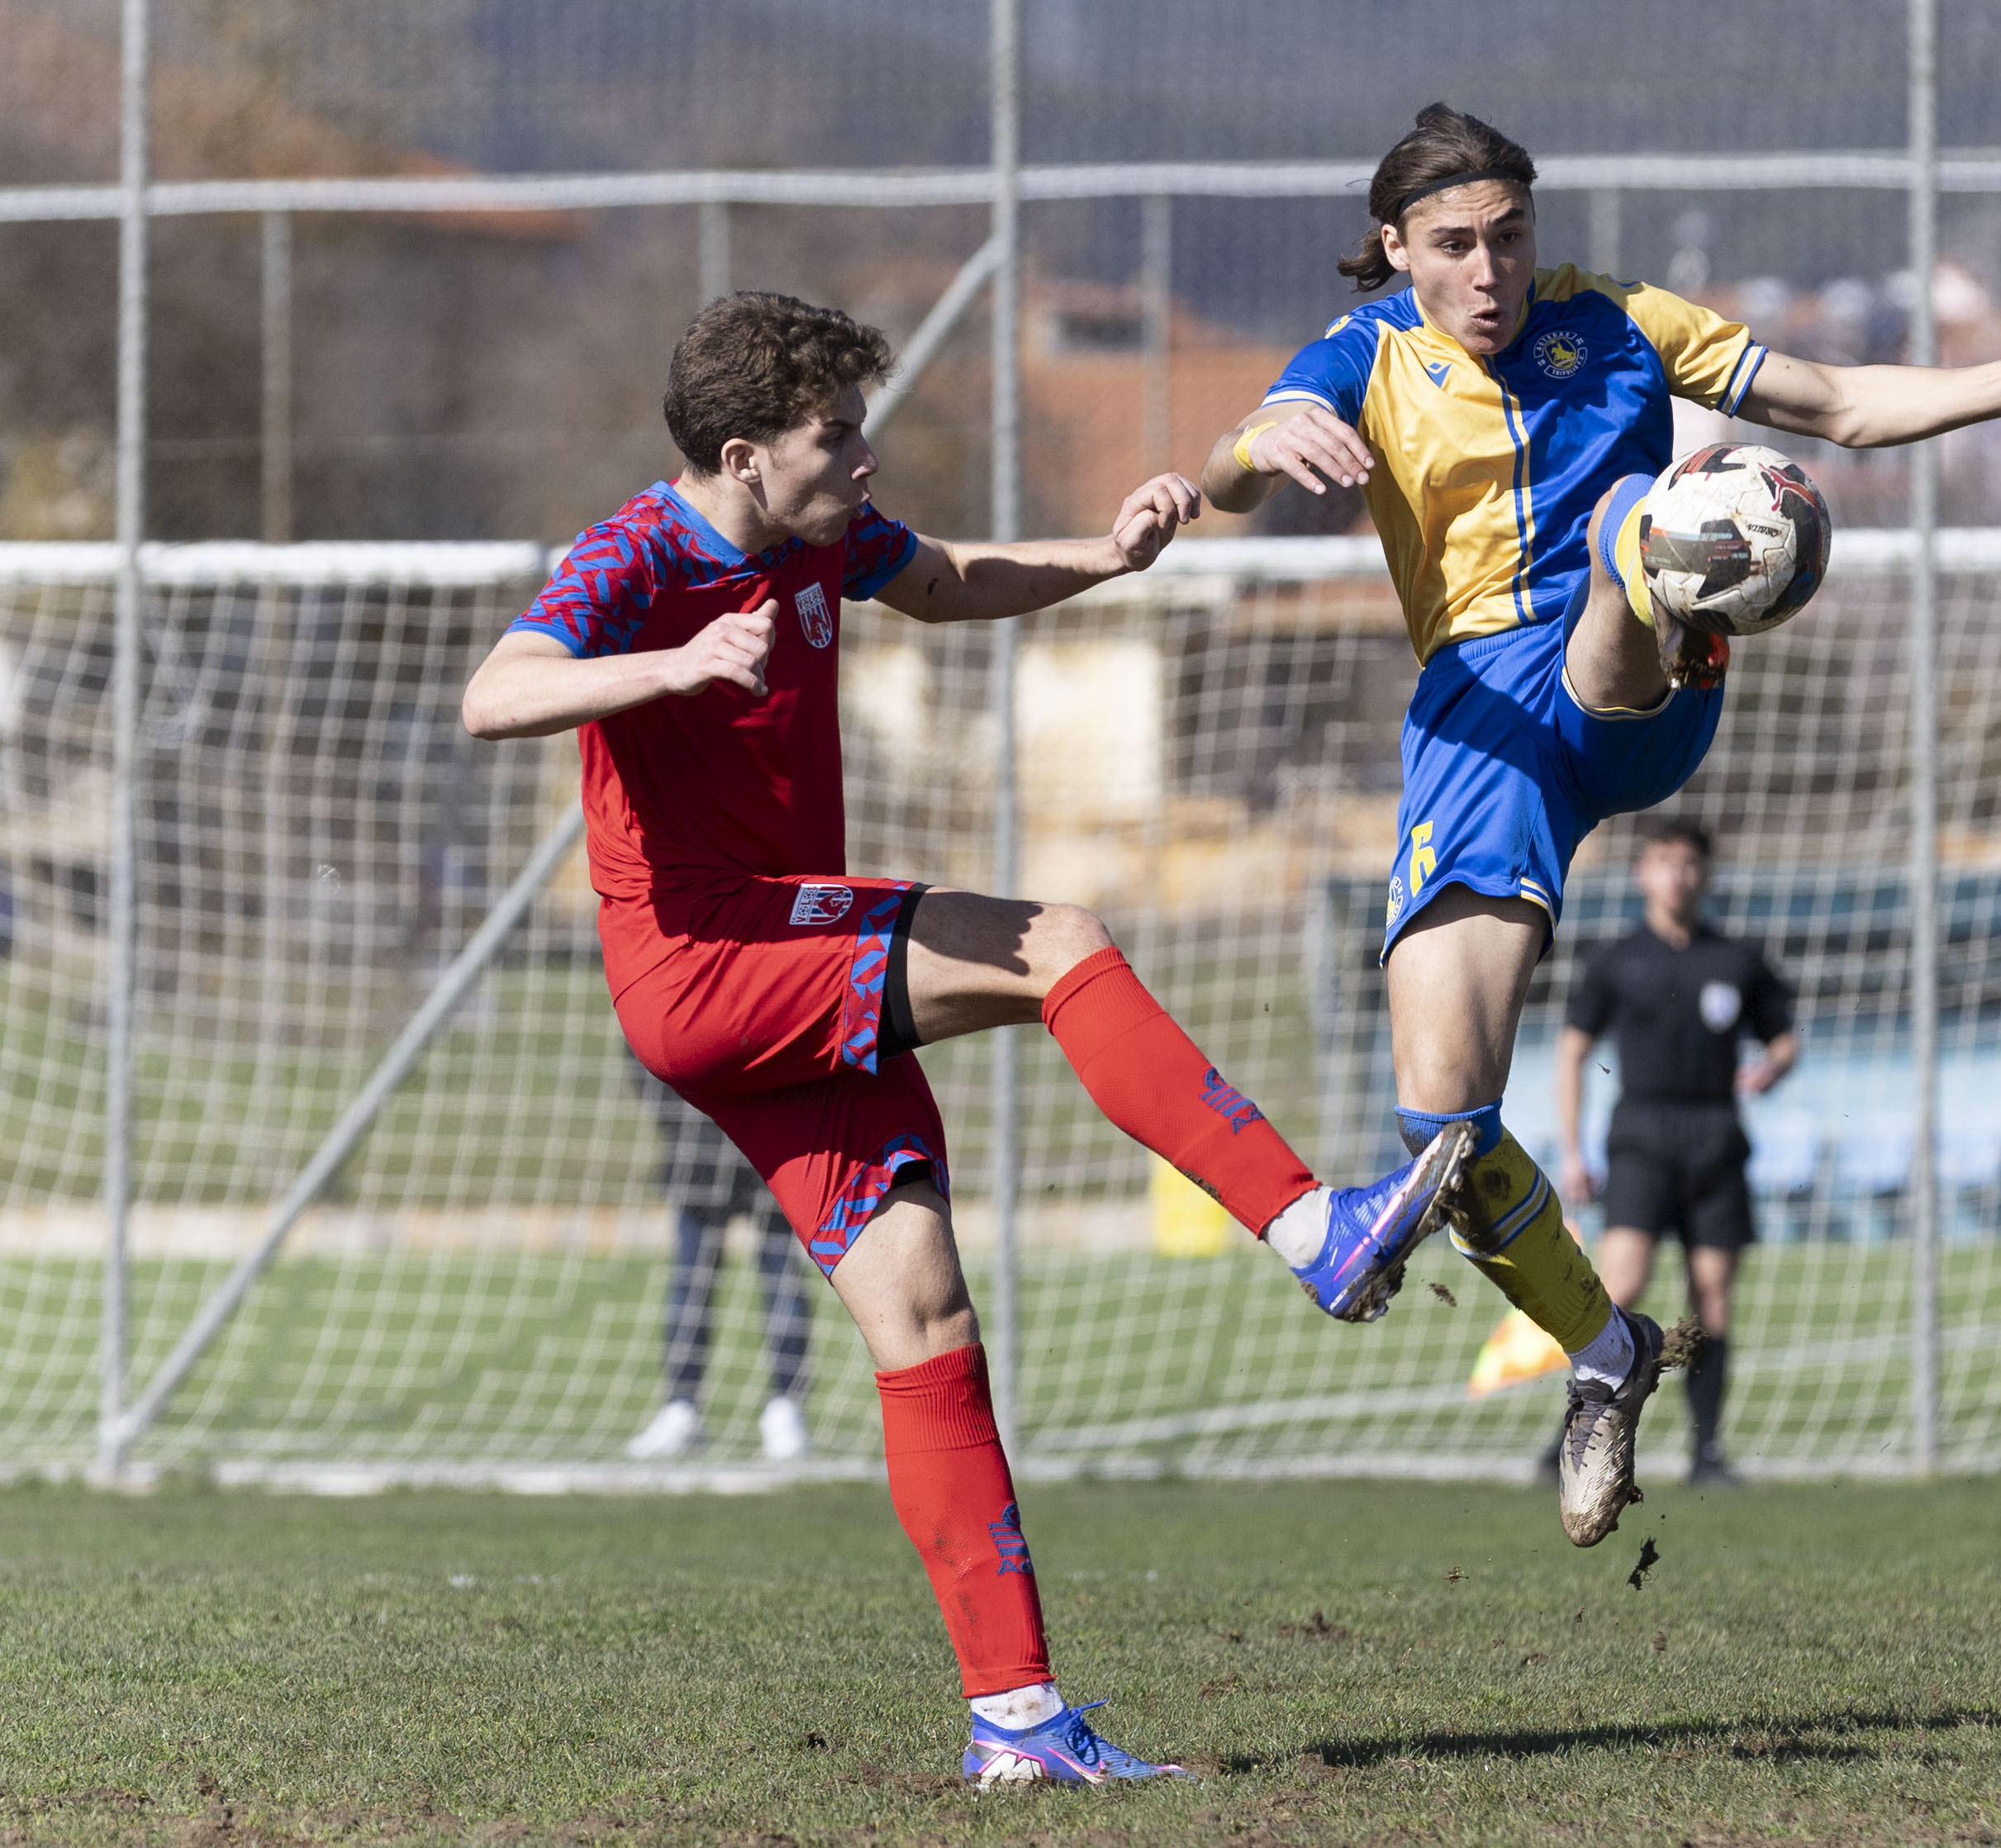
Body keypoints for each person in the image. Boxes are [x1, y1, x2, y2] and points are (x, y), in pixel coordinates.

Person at [460, 291, 1475, 1785]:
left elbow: (945, 580)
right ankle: (1313, 1227)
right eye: (835, 436)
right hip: (713, 955)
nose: (861, 457)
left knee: (926, 1323)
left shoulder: (816, 533)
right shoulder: (636, 555)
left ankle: (1018, 1721)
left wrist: (1112, 558)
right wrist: (674, 666)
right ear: (742, 456)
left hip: (770, 966)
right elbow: (496, 695)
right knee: (1059, 939)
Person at [1200, 102, 2001, 1546]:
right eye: (1453, 244)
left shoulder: (1626, 323)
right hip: (1482, 730)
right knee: (1445, 1124)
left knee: (1627, 513)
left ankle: (1657, 571)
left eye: (1510, 235)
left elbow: (1838, 404)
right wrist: (1256, 440)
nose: (1488, 269)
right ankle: (1606, 1356)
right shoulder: (1359, 358)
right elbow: (1229, 475)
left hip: (1629, 673)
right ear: (1395, 247)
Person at [1554, 818, 1795, 1486]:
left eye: (1689, 862)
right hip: (1641, 1137)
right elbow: (1572, 1051)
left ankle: (1706, 1451)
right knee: (1619, 1287)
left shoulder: (1737, 959)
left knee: (1710, 1298)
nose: (1676, 875)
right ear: (1643, 873)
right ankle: (1570, 1438)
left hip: (1716, 1136)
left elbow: (1784, 1037)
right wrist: (1572, 1150)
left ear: (1705, 874)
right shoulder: (1617, 960)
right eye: (1663, 860)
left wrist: (1773, 1067)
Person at [623, 1063, 815, 1463]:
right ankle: (681, 1407)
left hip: (773, 1153)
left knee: (782, 1277)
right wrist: (683, 1120)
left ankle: (786, 1407)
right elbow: (642, 1048)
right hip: (699, 1155)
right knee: (691, 1283)